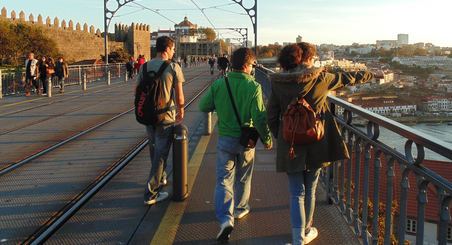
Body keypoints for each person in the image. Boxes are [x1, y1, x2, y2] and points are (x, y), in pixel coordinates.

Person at [266, 43, 376, 245]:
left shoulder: (278, 82)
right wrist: (369, 74)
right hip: (316, 140)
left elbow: (271, 116)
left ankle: (297, 237)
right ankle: (307, 230)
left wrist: (282, 136)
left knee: (296, 192)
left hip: (290, 143)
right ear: (308, 59)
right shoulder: (321, 78)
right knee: (311, 188)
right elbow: (346, 78)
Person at [199, 47, 273, 242]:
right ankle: (240, 208)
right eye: (252, 65)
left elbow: (203, 106)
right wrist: (267, 139)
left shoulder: (219, 84)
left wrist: (219, 104)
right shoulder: (254, 87)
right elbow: (259, 117)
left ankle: (225, 219)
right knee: (243, 176)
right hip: (246, 140)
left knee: (223, 178)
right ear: (247, 65)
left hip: (224, 139)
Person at [135, 36, 185, 205]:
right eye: (172, 49)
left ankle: (161, 176)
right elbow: (179, 95)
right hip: (166, 115)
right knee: (161, 153)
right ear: (167, 49)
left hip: (148, 115)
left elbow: (136, 92)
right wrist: (181, 109)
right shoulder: (173, 67)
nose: (173, 52)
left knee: (154, 147)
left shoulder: (144, 66)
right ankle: (151, 193)